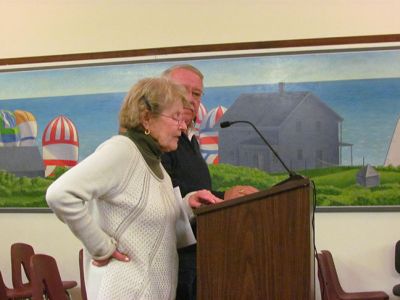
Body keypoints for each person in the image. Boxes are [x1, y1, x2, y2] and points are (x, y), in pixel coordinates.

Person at [46, 77, 222, 300]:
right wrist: (101, 247)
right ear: (147, 118)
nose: (183, 125)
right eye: (176, 117)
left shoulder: (155, 162)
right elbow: (60, 194)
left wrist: (187, 205)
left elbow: (156, 228)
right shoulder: (122, 150)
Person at [161, 64, 258, 300]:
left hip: (200, 258)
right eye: (183, 90)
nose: (190, 99)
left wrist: (228, 195)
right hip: (175, 262)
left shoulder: (190, 139)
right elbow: (167, 198)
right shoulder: (160, 142)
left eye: (196, 94)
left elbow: (194, 192)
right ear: (161, 92)